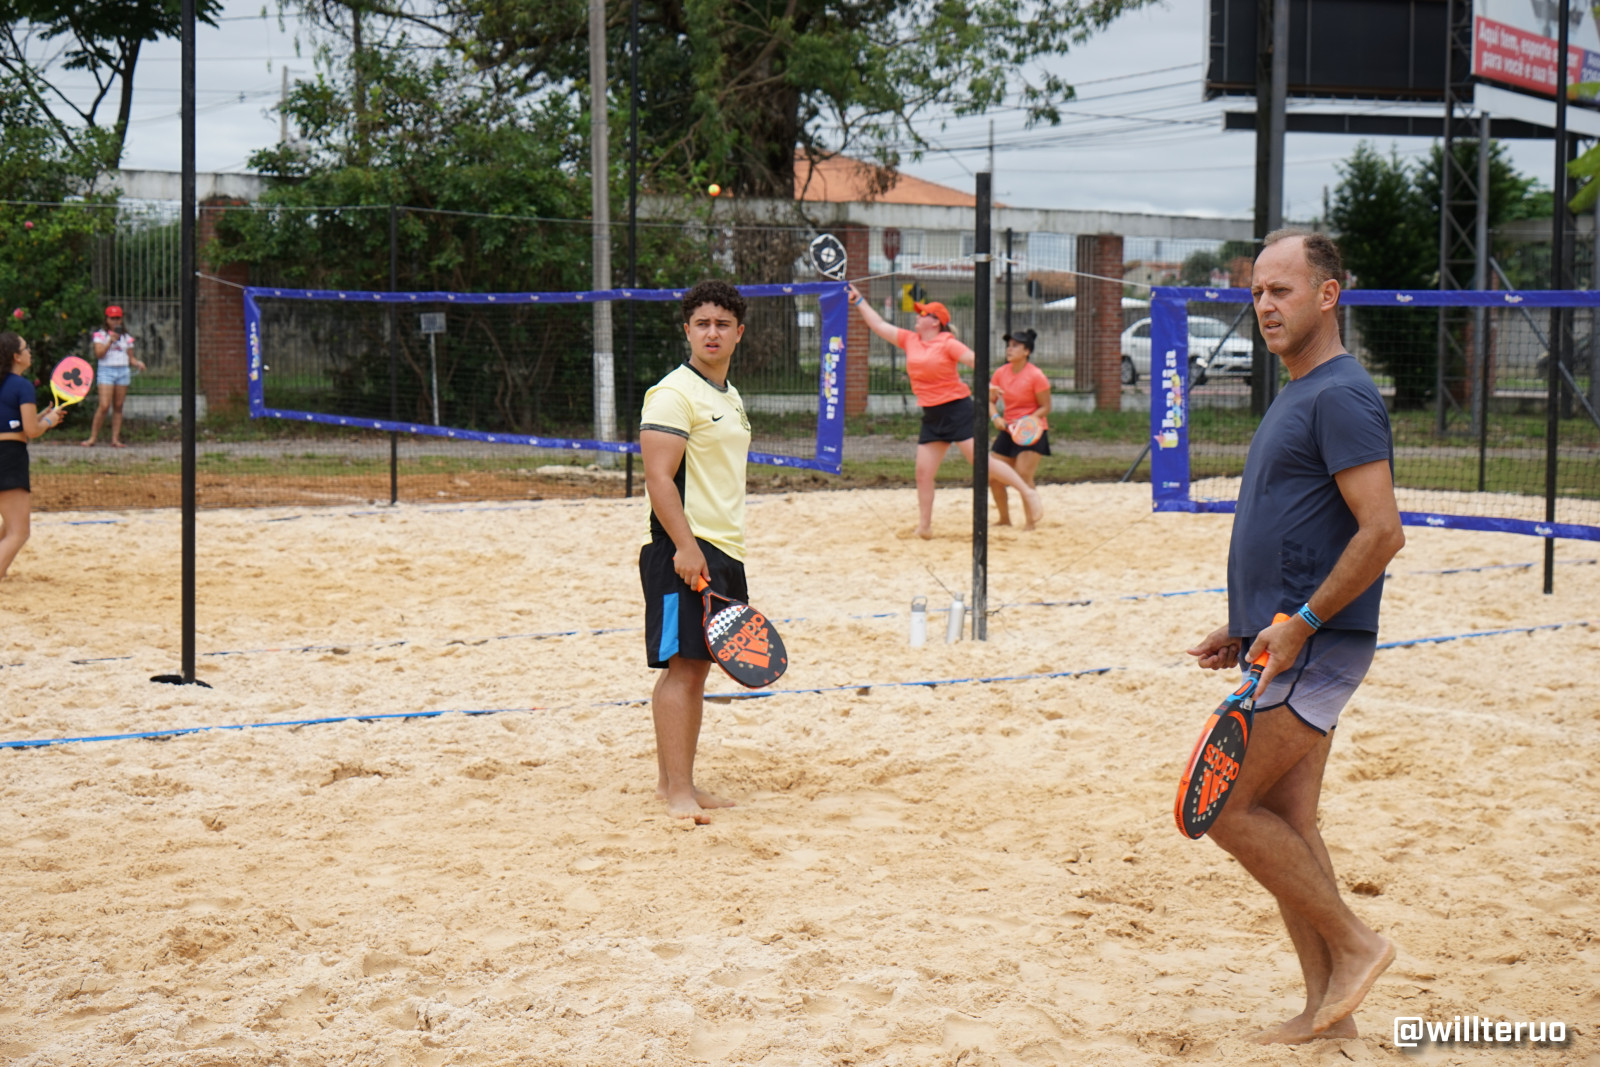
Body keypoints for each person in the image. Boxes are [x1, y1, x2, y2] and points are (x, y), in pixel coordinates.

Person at [1186, 230, 1405, 1045]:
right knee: (1287, 814)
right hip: (1287, 637)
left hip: (1318, 642)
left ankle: (1357, 943)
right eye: (1256, 292)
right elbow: (1300, 529)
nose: (1265, 305)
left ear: (1327, 294)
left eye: (1281, 289)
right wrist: (1247, 624)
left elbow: (1381, 531)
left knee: (1223, 807)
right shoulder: (1303, 389)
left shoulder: (1341, 394)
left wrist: (1299, 625)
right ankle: (1328, 1012)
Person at [637, 280, 754, 825]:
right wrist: (685, 546)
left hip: (723, 547)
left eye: (722, 324)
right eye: (702, 323)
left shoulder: (728, 396)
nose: (712, 332)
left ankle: (674, 782)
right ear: (687, 330)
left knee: (696, 669)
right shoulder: (672, 393)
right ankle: (678, 793)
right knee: (682, 670)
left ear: (739, 333)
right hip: (683, 547)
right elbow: (658, 477)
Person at [847, 285, 1042, 536]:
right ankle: (924, 527)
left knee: (982, 462)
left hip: (957, 409)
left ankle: (1027, 493)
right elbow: (878, 325)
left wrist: (987, 384)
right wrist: (859, 300)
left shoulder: (947, 343)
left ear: (936, 322)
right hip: (932, 415)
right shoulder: (910, 340)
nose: (917, 316)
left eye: (923, 314)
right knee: (923, 473)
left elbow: (975, 360)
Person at [0, 332, 67, 579]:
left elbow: (14, 424)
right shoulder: (22, 386)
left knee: (9, 525)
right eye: (26, 348)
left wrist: (40, 417)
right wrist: (48, 421)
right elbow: (31, 431)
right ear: (16, 357)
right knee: (19, 532)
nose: (30, 352)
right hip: (9, 457)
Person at [986, 327, 1052, 526]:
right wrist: (995, 417)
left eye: (1015, 346)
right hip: (1009, 429)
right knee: (993, 476)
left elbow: (1046, 407)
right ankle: (1004, 520)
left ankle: (1030, 523)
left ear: (1027, 351)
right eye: (1009, 345)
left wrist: (1028, 421)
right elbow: (990, 401)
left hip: (1032, 431)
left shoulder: (1036, 376)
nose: (1009, 349)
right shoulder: (1000, 373)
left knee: (1023, 474)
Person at [82, 305, 146, 448]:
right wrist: (110, 341)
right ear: (107, 319)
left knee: (118, 405)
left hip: (122, 370)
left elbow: (131, 358)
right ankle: (93, 437)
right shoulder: (101, 336)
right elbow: (99, 354)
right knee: (104, 405)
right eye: (112, 318)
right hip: (107, 370)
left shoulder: (126, 338)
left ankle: (115, 439)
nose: (115, 321)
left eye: (118, 318)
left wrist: (137, 363)